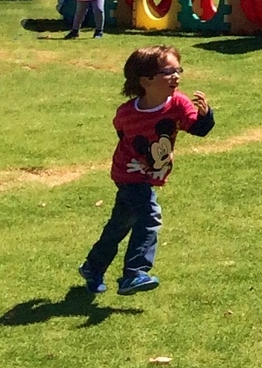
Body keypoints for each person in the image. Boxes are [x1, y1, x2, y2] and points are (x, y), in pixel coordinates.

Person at [79, 44, 213, 296]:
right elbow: (123, 134)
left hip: (149, 174)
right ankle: (134, 273)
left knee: (120, 225)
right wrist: (141, 162)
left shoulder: (178, 104)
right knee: (150, 215)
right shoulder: (128, 113)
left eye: (178, 70)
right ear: (146, 81)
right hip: (129, 174)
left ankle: (92, 267)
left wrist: (205, 116)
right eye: (168, 71)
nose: (176, 76)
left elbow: (198, 128)